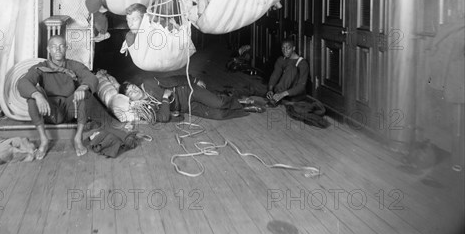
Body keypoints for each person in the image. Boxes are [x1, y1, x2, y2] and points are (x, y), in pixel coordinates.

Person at [17, 35, 101, 158]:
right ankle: (44, 140)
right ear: (48, 49)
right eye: (54, 47)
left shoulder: (74, 65)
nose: (57, 50)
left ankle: (78, 138)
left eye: (61, 46)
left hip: (70, 110)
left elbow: (91, 77)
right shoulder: (41, 66)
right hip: (49, 111)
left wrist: (82, 87)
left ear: (66, 48)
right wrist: (37, 95)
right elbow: (23, 82)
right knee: (33, 96)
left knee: (85, 94)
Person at [120, 74, 255, 122]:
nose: (134, 90)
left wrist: (194, 80)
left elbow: (174, 79)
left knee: (218, 103)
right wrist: (167, 101)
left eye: (132, 87)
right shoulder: (144, 109)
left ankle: (239, 99)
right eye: (130, 93)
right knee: (218, 115)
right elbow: (163, 117)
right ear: (131, 100)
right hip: (186, 107)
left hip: (189, 91)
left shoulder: (149, 83)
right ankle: (245, 107)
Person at [265, 38, 309, 104]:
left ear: (293, 48)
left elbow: (301, 87)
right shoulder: (281, 59)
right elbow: (275, 75)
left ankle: (277, 97)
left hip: (295, 95)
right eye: (283, 48)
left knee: (292, 68)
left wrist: (282, 94)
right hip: (281, 92)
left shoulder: (302, 63)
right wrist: (270, 90)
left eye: (288, 48)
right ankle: (276, 97)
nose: (285, 51)